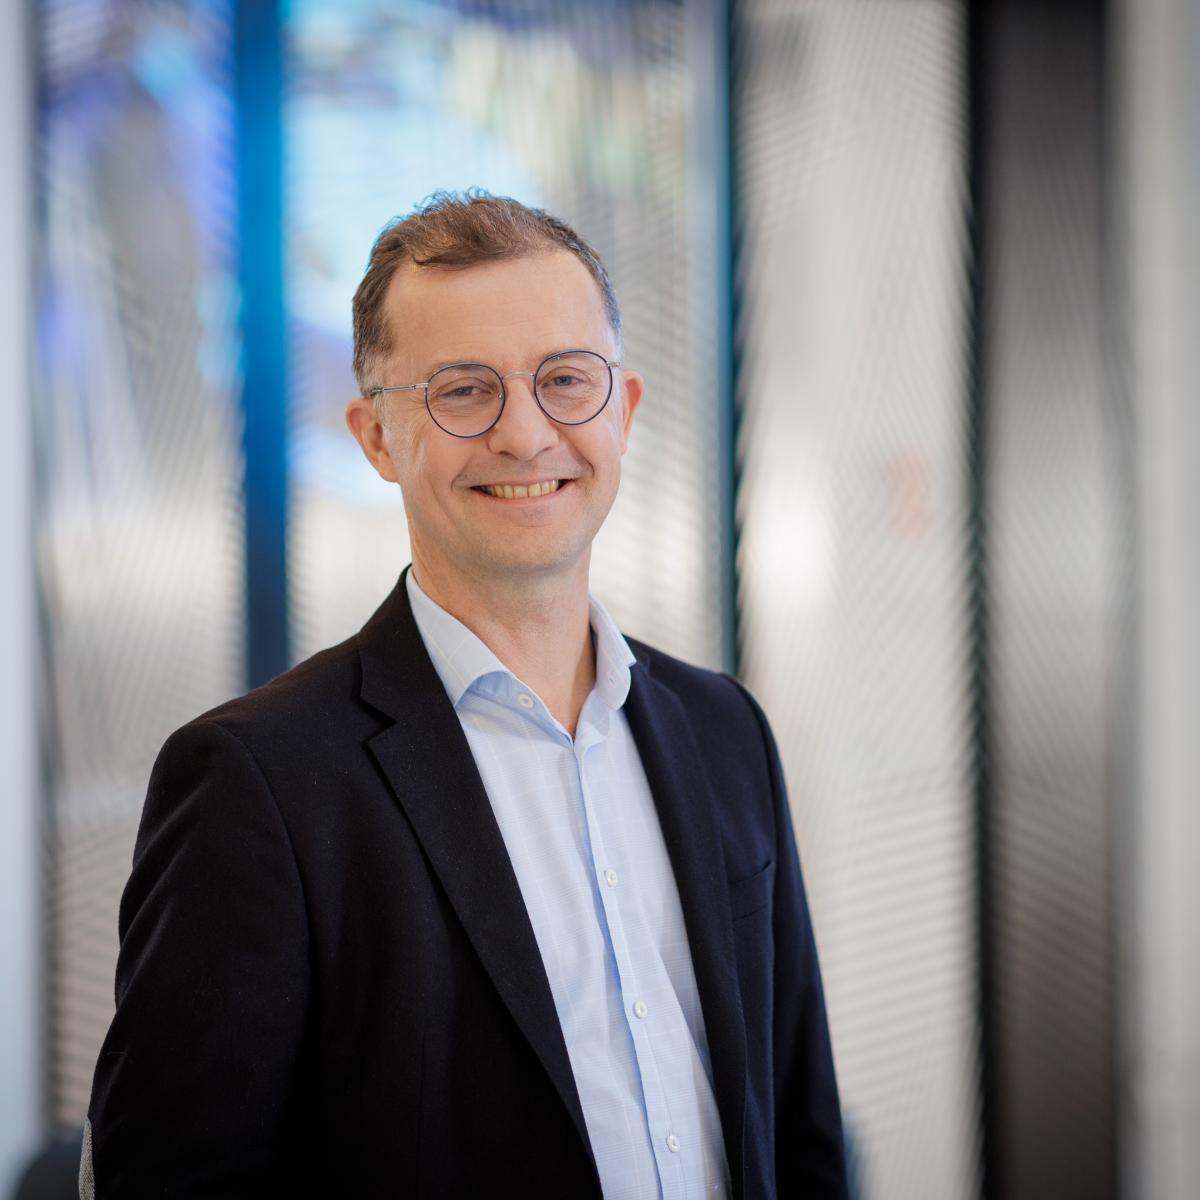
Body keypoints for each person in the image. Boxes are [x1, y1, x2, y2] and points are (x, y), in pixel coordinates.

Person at [83, 192, 848, 1199]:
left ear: (623, 409)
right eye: (463, 391)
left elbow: (797, 1128)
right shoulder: (257, 782)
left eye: (564, 380)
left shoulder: (725, 732)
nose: (525, 434)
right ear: (375, 437)